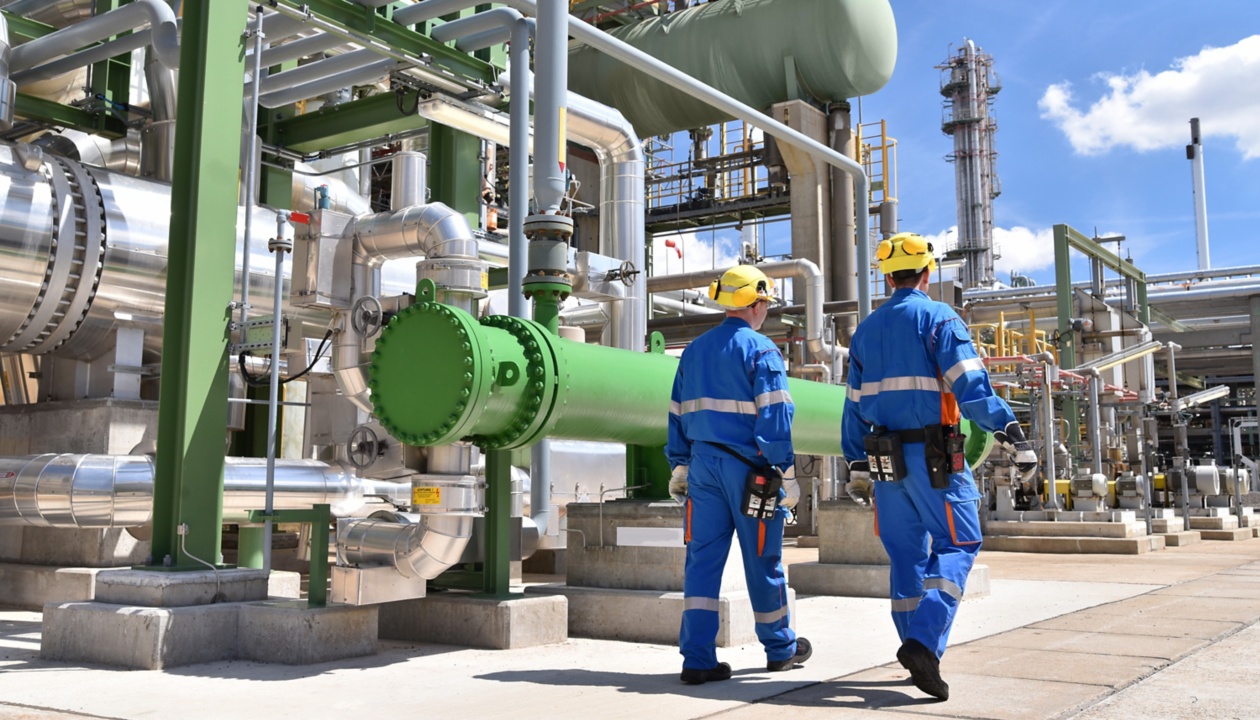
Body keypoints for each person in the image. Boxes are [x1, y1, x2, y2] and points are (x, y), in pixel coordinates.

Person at [841, 233, 1038, 701]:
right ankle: (923, 643)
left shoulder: (866, 330)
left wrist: (855, 462)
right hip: (936, 460)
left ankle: (916, 652)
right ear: (928, 273)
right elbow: (971, 387)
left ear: (887, 276)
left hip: (885, 462)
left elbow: (852, 407)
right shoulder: (939, 318)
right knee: (960, 541)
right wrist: (1012, 433)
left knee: (906, 558)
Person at [665, 264, 812, 686]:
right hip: (751, 472)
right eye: (765, 302)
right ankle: (780, 649)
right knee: (763, 560)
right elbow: (776, 416)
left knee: (701, 563)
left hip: (703, 469)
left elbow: (676, 411)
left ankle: (697, 659)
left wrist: (679, 463)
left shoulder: (694, 351)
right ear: (756, 302)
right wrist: (786, 471)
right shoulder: (762, 350)